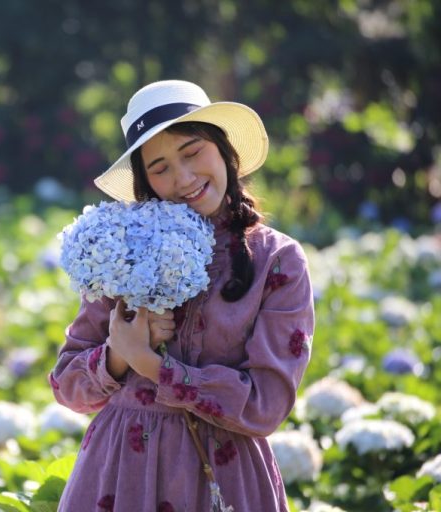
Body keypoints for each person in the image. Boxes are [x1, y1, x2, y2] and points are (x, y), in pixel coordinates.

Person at [49, 80, 315, 511]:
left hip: (226, 477)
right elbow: (67, 386)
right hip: (122, 474)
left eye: (192, 153)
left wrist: (151, 365)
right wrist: (117, 354)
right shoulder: (121, 246)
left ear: (224, 149)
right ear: (144, 180)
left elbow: (266, 405)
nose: (184, 178)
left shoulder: (277, 260)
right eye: (160, 167)